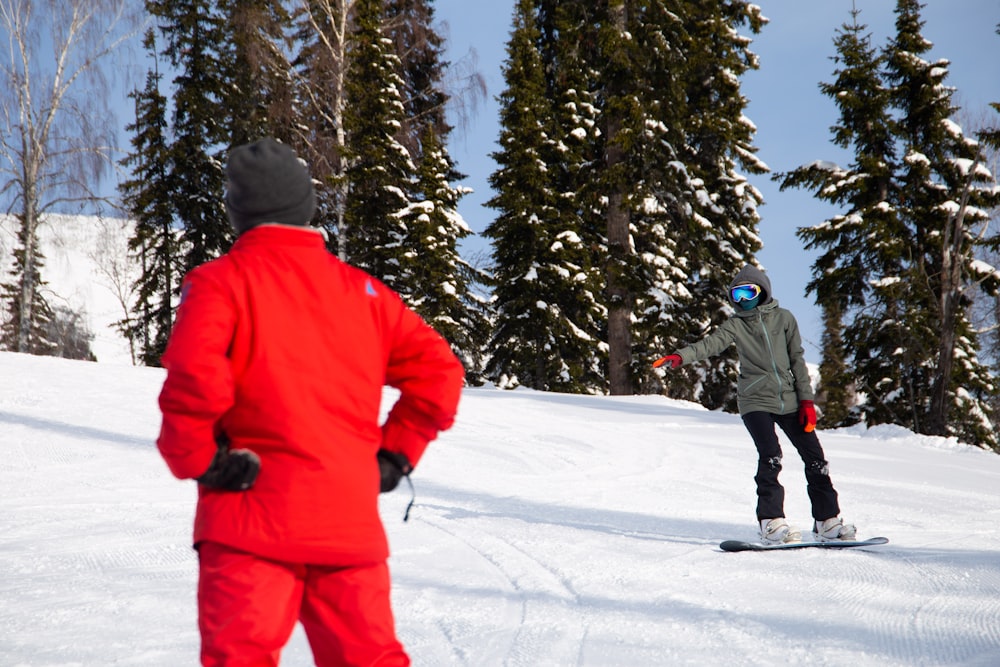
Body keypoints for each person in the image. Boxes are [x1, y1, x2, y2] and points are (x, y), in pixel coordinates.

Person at [156, 137, 465, 666]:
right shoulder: (364, 294)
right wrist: (394, 455)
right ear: (306, 208)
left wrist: (199, 461)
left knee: (242, 658)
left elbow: (194, 377)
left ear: (239, 213)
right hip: (346, 527)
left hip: (248, 519)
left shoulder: (219, 283)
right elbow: (440, 373)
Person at [653, 264, 857, 545]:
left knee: (816, 458)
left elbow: (797, 360)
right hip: (754, 400)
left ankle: (827, 521)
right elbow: (710, 344)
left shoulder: (785, 319)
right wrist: (680, 356)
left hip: (790, 400)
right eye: (737, 295)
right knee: (770, 456)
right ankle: (771, 522)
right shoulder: (736, 325)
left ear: (763, 291)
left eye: (749, 292)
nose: (743, 299)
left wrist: (807, 401)